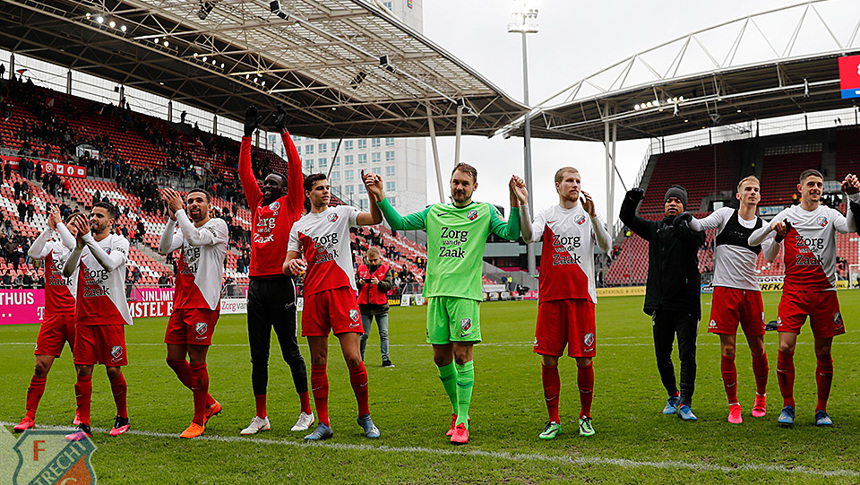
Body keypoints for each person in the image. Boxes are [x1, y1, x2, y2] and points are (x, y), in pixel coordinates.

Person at [365, 163, 522, 445]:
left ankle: (462, 420)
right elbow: (398, 223)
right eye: (455, 182)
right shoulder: (434, 212)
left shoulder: (484, 212)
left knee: (462, 356)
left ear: (475, 187)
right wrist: (380, 196)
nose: (459, 187)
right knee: (440, 358)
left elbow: (511, 233)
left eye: (465, 183)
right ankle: (457, 410)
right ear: (450, 185)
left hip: (464, 295)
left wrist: (514, 202)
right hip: (436, 294)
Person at [748, 170, 857, 427]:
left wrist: (853, 198)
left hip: (824, 293)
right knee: (785, 347)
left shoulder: (830, 215)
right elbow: (766, 252)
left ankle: (821, 409)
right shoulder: (787, 215)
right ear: (800, 187)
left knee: (824, 351)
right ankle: (788, 405)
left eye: (819, 184)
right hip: (794, 292)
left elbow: (851, 226)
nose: (815, 188)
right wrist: (777, 235)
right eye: (811, 184)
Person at [283, 172, 383, 441]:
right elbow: (286, 263)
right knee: (318, 361)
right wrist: (291, 265)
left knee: (353, 357)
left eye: (327, 187)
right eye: (319, 188)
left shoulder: (341, 213)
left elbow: (375, 219)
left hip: (342, 292)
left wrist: (373, 193)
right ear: (309, 193)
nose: (326, 192)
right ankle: (324, 423)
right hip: (314, 295)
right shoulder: (299, 226)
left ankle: (365, 416)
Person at [514, 167, 611, 439]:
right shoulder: (547, 214)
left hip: (581, 298)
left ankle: (585, 416)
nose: (575, 185)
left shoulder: (588, 213)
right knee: (548, 360)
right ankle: (553, 420)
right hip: (551, 298)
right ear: (558, 185)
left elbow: (605, 245)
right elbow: (528, 236)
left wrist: (593, 216)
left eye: (578, 181)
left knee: (584, 362)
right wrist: (523, 204)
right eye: (570, 181)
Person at [238, 105, 312, 435]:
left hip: (281, 284)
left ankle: (306, 411)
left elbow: (295, 169)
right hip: (255, 286)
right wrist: (246, 135)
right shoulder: (257, 205)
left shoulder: (291, 204)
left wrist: (284, 133)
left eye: (272, 183)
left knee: (290, 350)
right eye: (264, 183)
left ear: (283, 189)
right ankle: (261, 416)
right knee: (258, 356)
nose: (265, 186)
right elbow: (245, 175)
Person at [684, 176, 777, 424]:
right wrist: (684, 213)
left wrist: (777, 237)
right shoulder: (725, 215)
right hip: (725, 290)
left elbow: (769, 255)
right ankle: (733, 404)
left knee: (758, 348)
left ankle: (760, 396)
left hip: (751, 292)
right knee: (728, 349)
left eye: (756, 189)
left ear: (760, 195)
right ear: (739, 195)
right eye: (748, 189)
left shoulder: (764, 225)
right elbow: (698, 225)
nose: (752, 192)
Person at [619, 184, 705, 421]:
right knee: (662, 355)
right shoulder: (654, 229)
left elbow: (699, 239)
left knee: (687, 355)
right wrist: (632, 199)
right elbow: (626, 217)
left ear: (684, 206)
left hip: (686, 303)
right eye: (669, 201)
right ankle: (673, 395)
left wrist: (682, 225)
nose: (672, 204)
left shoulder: (691, 227)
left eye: (677, 201)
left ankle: (686, 403)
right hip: (661, 303)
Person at [158, 188, 228, 439]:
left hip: (202, 302)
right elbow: (163, 246)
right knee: (174, 359)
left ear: (210, 205)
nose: (193, 204)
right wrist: (171, 218)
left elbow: (196, 238)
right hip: (181, 302)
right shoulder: (185, 228)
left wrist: (179, 211)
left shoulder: (218, 225)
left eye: (199, 201)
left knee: (197, 362)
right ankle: (209, 403)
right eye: (189, 201)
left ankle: (198, 420)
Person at [61, 202, 133, 440]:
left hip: (110, 316)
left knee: (113, 370)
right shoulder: (83, 243)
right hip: (84, 316)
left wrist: (87, 241)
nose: (93, 218)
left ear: (110, 221)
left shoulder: (119, 243)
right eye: (92, 214)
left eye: (99, 216)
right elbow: (66, 272)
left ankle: (122, 417)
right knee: (83, 369)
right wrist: (79, 247)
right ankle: (83, 425)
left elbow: (110, 264)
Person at [13, 207, 78, 432]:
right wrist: (49, 229)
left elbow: (72, 245)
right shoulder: (52, 247)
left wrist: (60, 224)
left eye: (80, 226)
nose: (76, 228)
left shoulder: (82, 249)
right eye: (73, 224)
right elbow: (33, 252)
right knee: (40, 366)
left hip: (77, 316)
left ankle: (81, 412)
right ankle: (29, 416)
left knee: (82, 368)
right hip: (52, 316)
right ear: (66, 226)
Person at [356, 247, 395, 368]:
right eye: (370, 260)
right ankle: (360, 359)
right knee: (364, 335)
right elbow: (354, 283)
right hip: (365, 307)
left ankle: (386, 359)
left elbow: (389, 285)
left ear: (379, 258)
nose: (372, 263)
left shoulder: (386, 269)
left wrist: (379, 283)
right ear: (366, 259)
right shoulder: (360, 269)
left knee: (384, 333)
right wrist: (360, 283)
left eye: (375, 260)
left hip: (381, 307)